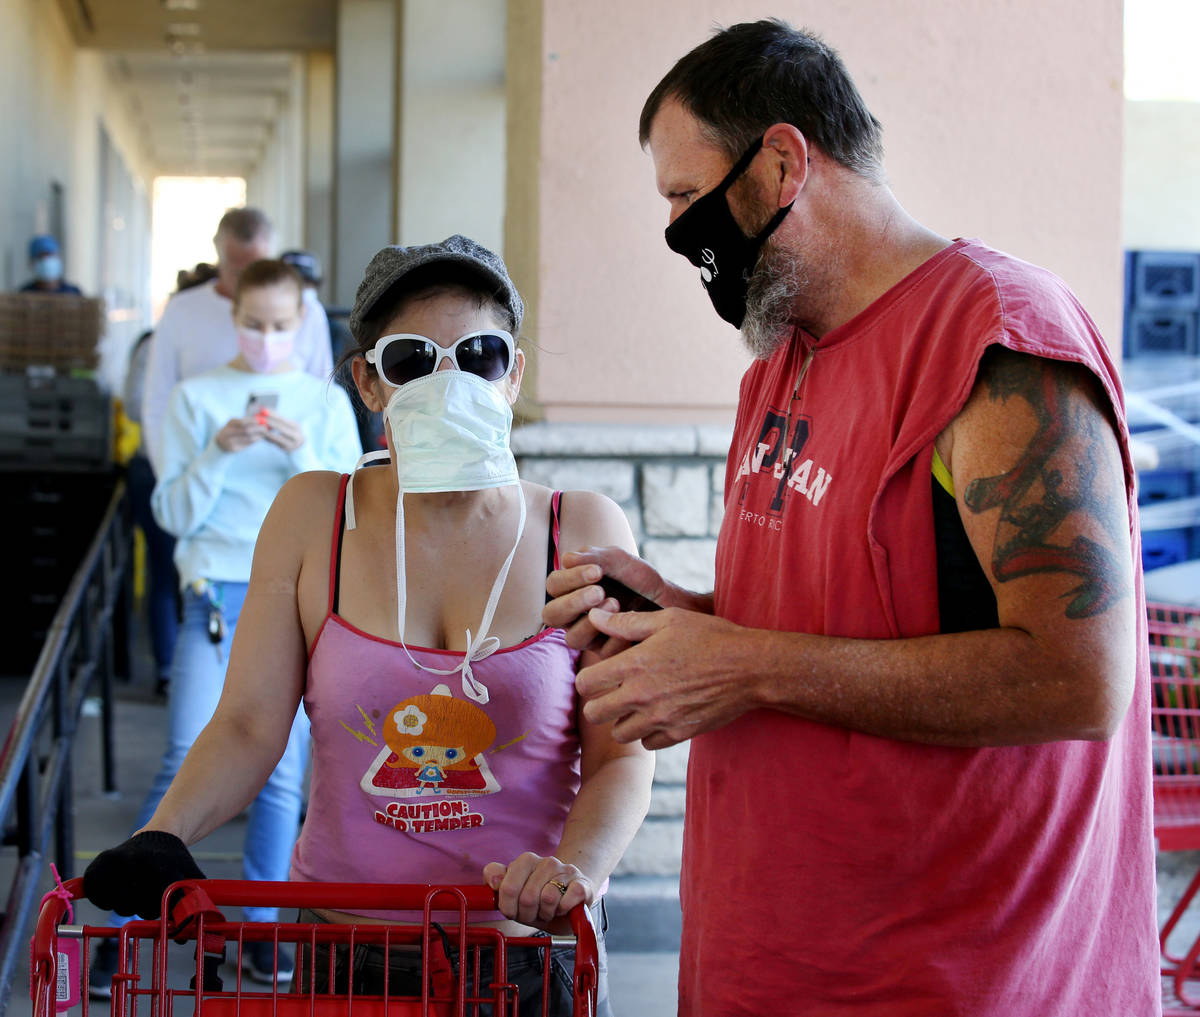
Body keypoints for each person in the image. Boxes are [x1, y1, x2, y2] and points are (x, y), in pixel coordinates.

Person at [543, 20, 1158, 1017]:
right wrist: (684, 618)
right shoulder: (781, 367)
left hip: (951, 979)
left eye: (686, 196)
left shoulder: (997, 342)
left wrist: (739, 663)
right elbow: (837, 623)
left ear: (783, 162)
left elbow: (1077, 677)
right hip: (772, 960)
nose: (677, 235)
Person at [83, 235, 654, 1016]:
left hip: (523, 954)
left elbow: (621, 752)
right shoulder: (312, 517)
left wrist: (572, 873)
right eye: (413, 360)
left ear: (513, 373)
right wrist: (164, 829)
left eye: (480, 353)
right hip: (346, 951)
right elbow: (250, 723)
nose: (449, 380)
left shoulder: (582, 528)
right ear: (369, 383)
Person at [87, 259, 362, 995]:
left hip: (302, 599)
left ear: (302, 324)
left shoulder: (325, 402)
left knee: (280, 780)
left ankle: (265, 939)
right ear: (232, 318)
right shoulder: (194, 399)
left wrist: (295, 450)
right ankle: (116, 927)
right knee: (185, 752)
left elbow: (344, 506)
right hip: (214, 593)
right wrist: (219, 451)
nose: (266, 339)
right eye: (253, 324)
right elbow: (173, 516)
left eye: (281, 326)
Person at [141, 207, 334, 472]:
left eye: (280, 327)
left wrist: (305, 457)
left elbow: (322, 399)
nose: (248, 282)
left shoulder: (309, 313)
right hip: (201, 471)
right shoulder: (181, 311)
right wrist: (169, 476)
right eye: (237, 273)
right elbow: (158, 400)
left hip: (285, 474)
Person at [122, 329, 179, 696]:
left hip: (172, 468)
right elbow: (135, 405)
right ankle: (169, 668)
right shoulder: (153, 344)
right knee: (166, 574)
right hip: (156, 469)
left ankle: (173, 670)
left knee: (169, 578)